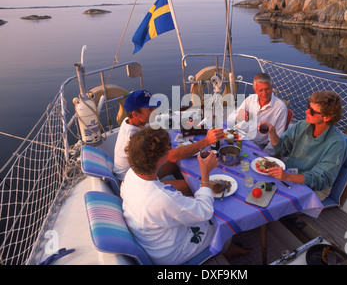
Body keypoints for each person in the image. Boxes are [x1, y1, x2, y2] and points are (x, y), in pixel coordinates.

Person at [121, 127, 250, 264]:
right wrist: (205, 172)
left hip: (155, 240)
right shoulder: (162, 199)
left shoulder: (131, 175)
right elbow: (205, 211)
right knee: (221, 218)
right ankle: (225, 248)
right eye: (169, 148)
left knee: (198, 197)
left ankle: (228, 247)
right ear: (163, 157)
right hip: (171, 253)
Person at [113, 89, 224, 181]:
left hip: (141, 170)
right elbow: (172, 156)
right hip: (133, 180)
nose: (155, 111)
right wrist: (206, 141)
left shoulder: (130, 121)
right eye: (150, 109)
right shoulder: (134, 137)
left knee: (178, 166)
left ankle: (181, 182)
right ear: (135, 114)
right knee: (189, 184)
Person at [267, 91, 347, 201]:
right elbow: (282, 149)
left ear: (327, 117)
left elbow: (320, 179)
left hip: (314, 188)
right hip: (290, 174)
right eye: (308, 107)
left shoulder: (337, 143)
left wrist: (288, 177)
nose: (306, 112)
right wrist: (272, 132)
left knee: (271, 199)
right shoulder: (302, 125)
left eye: (312, 111)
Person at [227, 73, 287, 155]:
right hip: (241, 137)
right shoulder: (250, 99)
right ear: (254, 90)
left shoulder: (280, 108)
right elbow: (230, 120)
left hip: (258, 145)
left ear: (272, 87)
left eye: (267, 89)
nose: (264, 93)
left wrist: (262, 155)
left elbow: (276, 141)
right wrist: (237, 116)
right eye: (260, 90)